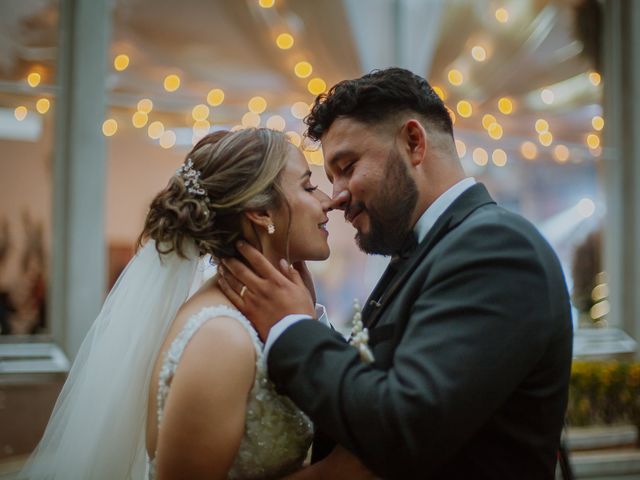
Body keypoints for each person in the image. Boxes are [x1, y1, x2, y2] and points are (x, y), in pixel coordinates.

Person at [219, 68, 574, 479]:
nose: (336, 198)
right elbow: (380, 375)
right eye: (330, 177)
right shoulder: (436, 246)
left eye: (347, 166)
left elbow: (403, 426)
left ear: (413, 142)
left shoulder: (495, 248)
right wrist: (307, 316)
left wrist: (292, 328)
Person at [20, 128, 373, 479]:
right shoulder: (222, 338)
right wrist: (332, 474)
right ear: (260, 213)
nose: (328, 200)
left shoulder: (256, 317)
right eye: (309, 186)